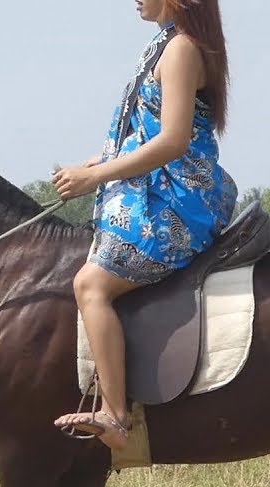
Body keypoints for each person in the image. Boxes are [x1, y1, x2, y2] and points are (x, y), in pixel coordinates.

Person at [52, 0, 237, 451]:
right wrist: (99, 162)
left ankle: (115, 415)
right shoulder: (165, 44)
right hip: (155, 190)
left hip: (177, 202)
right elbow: (145, 132)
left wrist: (95, 177)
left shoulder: (181, 50)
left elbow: (172, 142)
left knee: (90, 285)